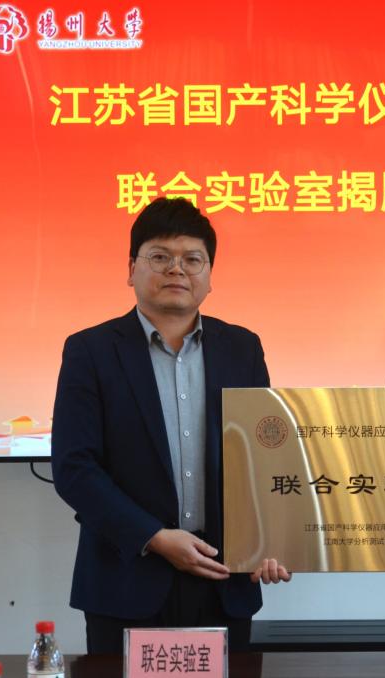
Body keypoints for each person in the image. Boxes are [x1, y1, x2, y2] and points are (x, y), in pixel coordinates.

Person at [51, 197, 290, 654]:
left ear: (209, 275)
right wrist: (154, 538)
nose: (177, 269)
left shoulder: (242, 348)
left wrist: (274, 539)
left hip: (223, 577)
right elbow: (74, 468)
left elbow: (263, 458)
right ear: (131, 269)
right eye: (160, 256)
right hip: (126, 577)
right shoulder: (90, 351)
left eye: (192, 259)